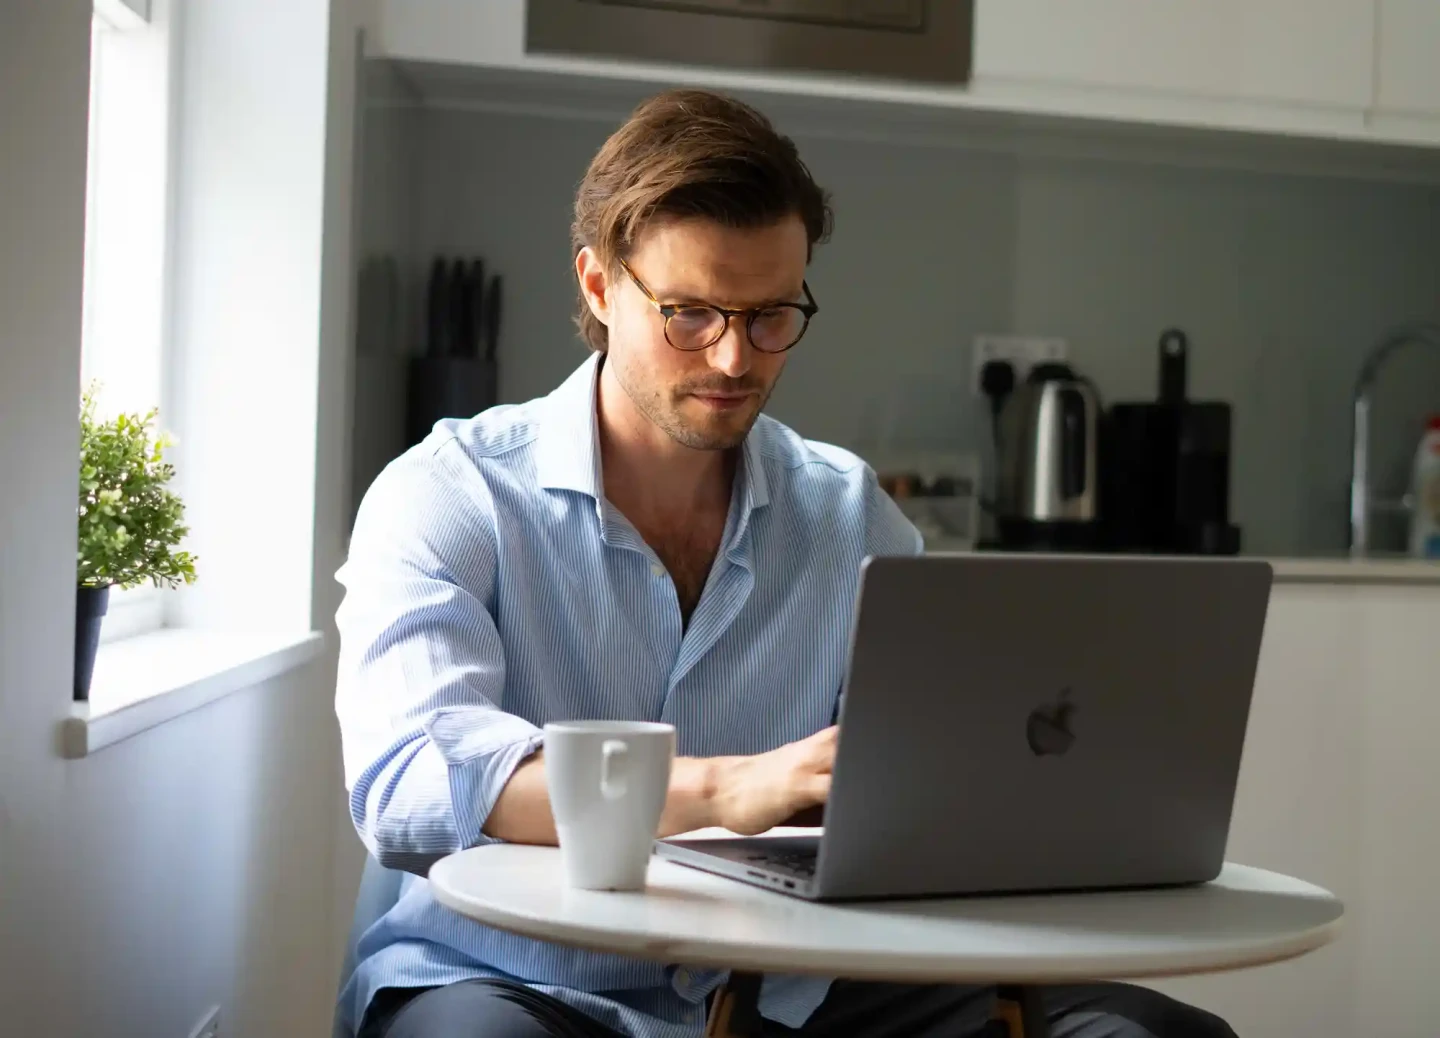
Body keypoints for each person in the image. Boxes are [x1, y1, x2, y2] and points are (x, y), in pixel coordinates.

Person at [334, 88, 1237, 1038]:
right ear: (600, 287)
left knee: (1156, 1037)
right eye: (690, 313)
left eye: (771, 315)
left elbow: (920, 792)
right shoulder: (452, 493)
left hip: (788, 983)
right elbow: (407, 784)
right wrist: (723, 791)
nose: (734, 358)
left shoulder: (850, 518)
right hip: (509, 980)